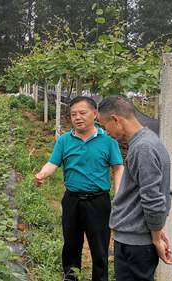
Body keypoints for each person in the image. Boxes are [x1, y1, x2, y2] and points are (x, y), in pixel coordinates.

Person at [34, 96, 124, 281]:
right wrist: (42, 174)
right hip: (72, 200)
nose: (78, 117)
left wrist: (119, 194)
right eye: (73, 114)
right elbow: (53, 163)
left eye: (82, 113)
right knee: (71, 246)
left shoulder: (108, 140)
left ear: (95, 114)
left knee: (99, 248)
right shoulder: (65, 140)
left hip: (98, 201)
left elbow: (117, 168)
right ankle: (70, 277)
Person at [97, 96, 172, 281]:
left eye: (104, 125)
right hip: (138, 236)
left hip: (135, 243)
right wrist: (156, 228)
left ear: (116, 120)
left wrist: (156, 237)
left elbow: (153, 198)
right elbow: (162, 190)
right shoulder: (148, 141)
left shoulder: (143, 148)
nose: (105, 132)